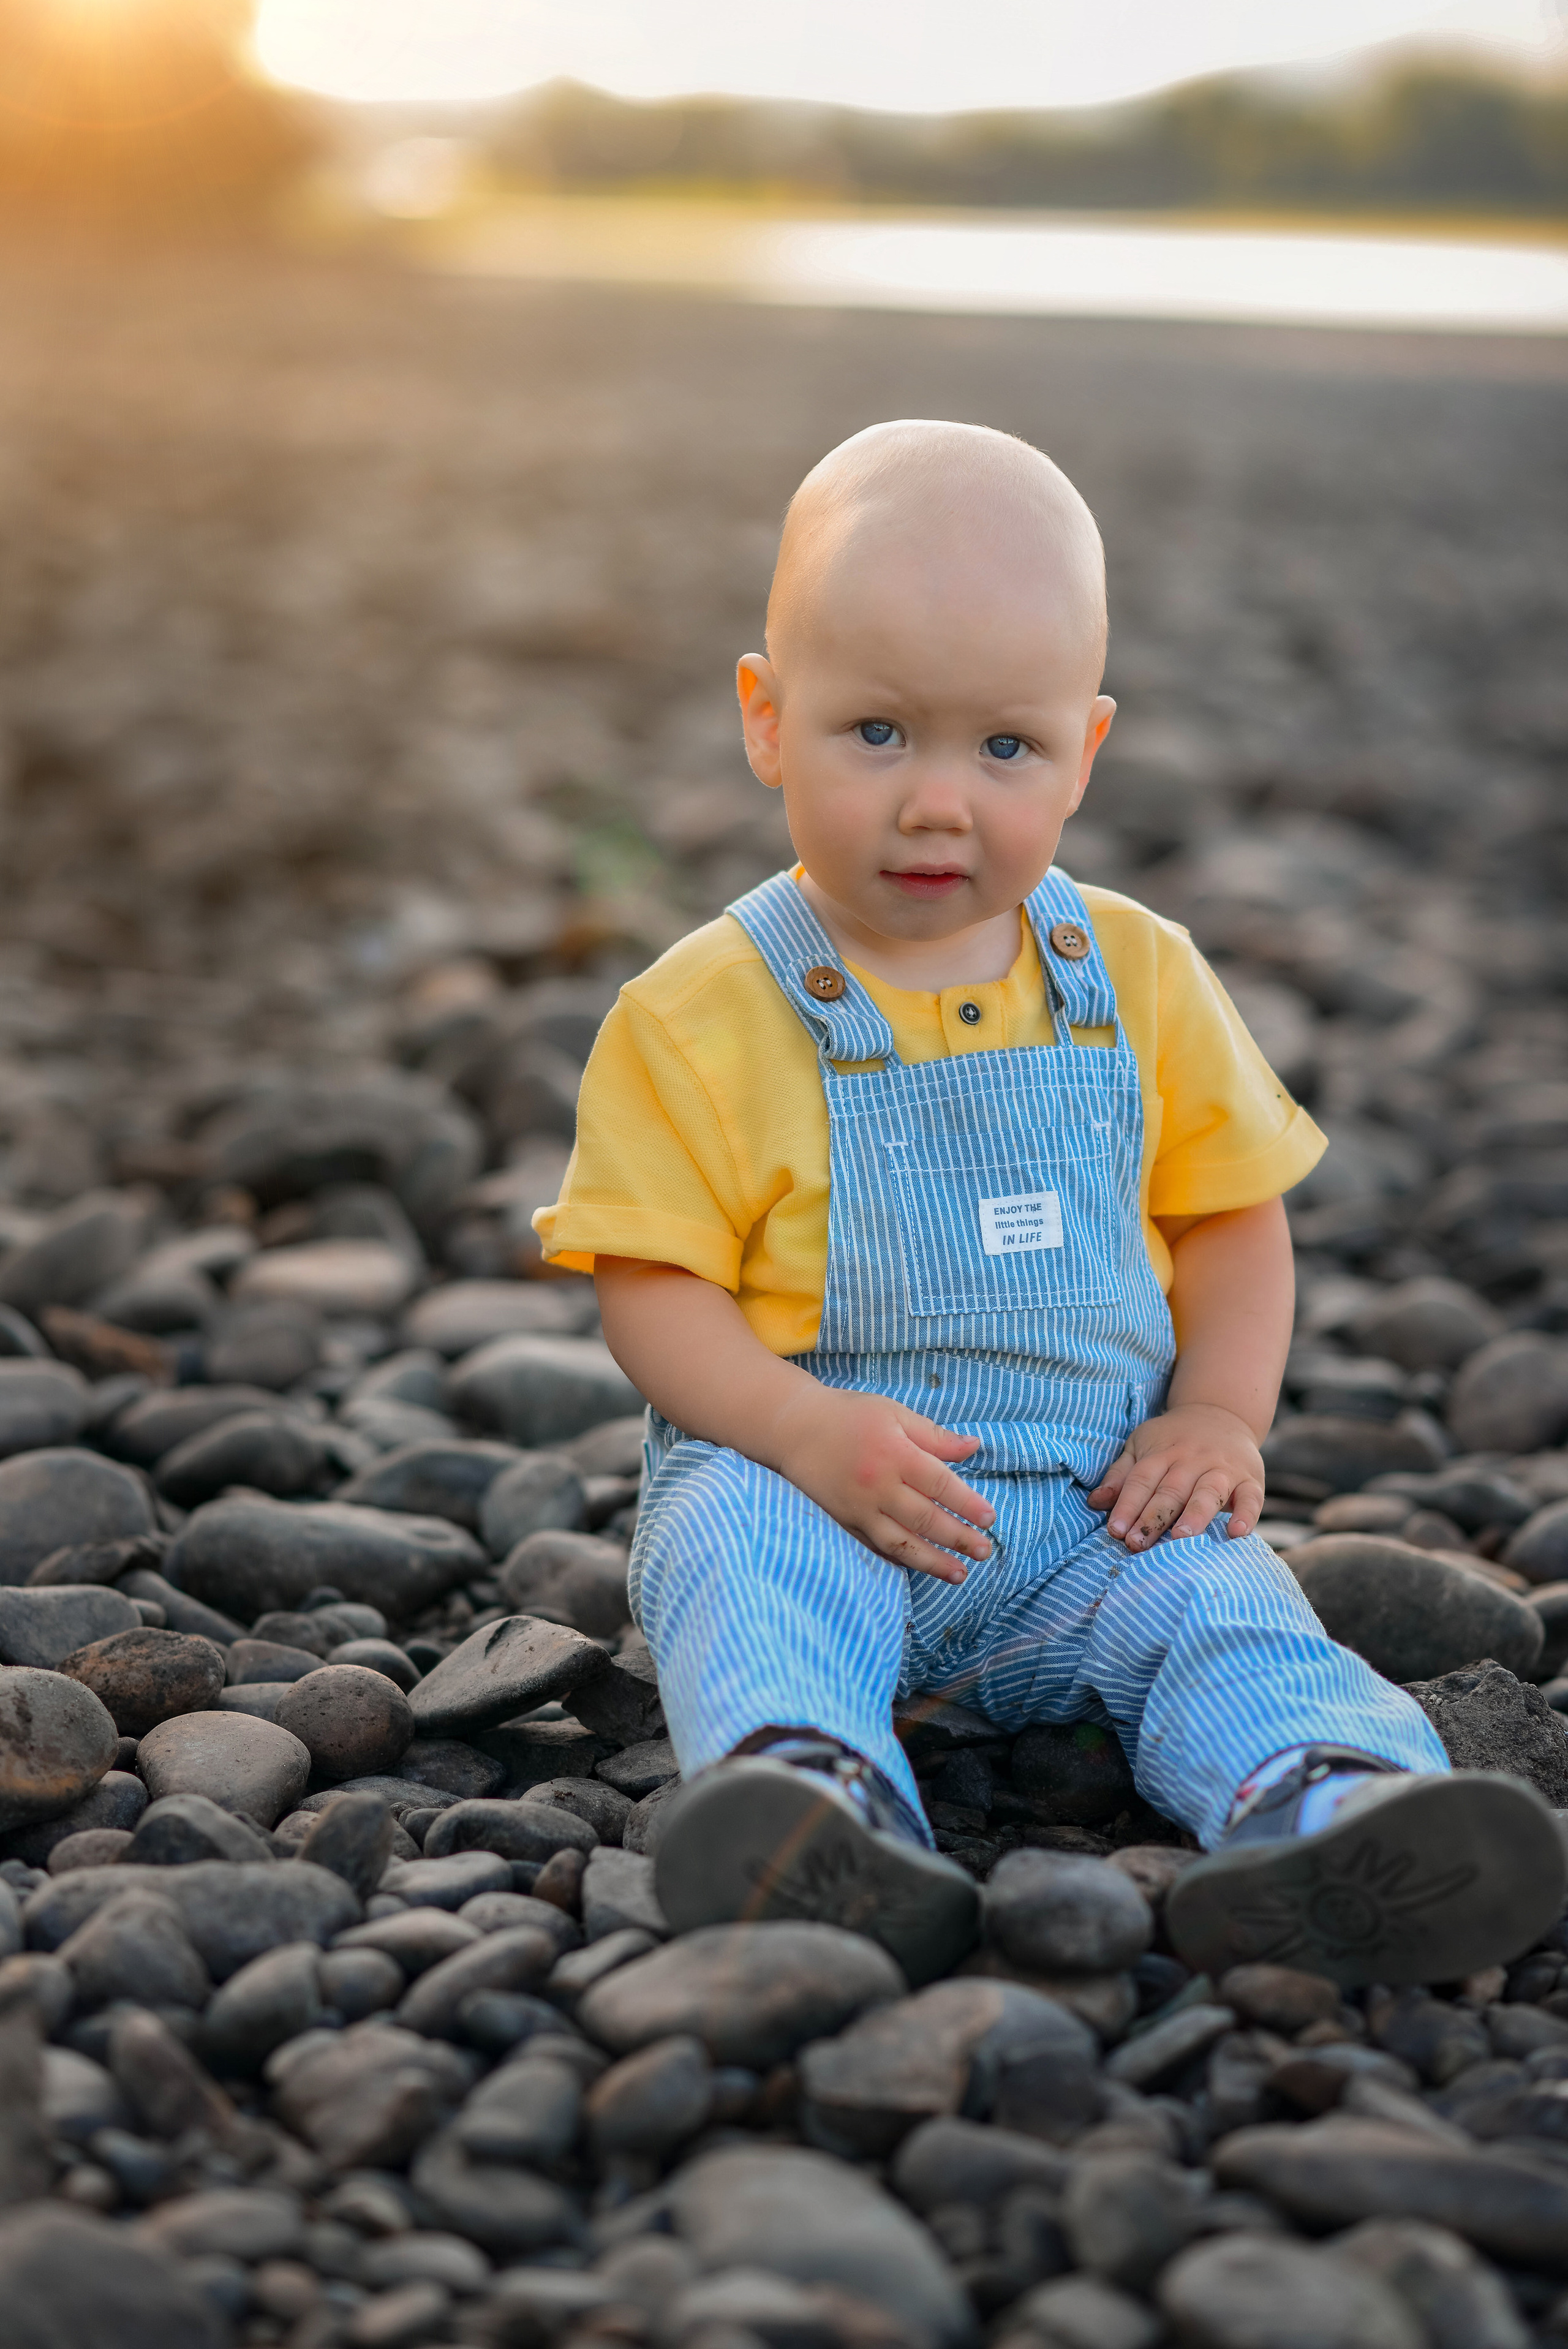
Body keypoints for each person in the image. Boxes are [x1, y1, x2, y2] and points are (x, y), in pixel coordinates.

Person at [535, 419, 1564, 1990]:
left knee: (1227, 1606)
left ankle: (1329, 1804)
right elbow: (649, 1288)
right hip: (835, 1498)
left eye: (1001, 749)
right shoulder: (701, 1012)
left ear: (1084, 749)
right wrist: (798, 1430)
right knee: (728, 1554)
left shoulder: (1136, 980)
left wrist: (1216, 1419)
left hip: (1096, 1519)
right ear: (764, 717)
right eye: (874, 733)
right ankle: (814, 1804)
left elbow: (1229, 1221)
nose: (937, 804)